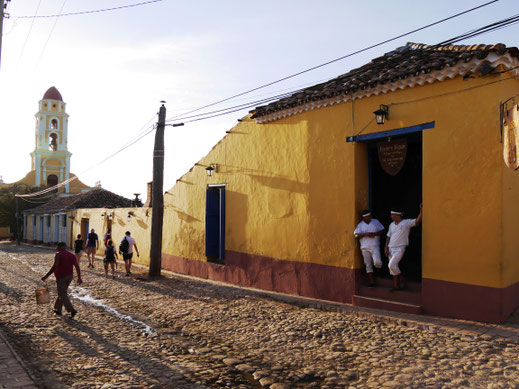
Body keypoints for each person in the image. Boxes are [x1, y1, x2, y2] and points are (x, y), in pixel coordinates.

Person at [384, 204, 423, 291]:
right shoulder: (391, 225)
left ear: (398, 215)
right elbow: (388, 236)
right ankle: (396, 286)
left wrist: (421, 211)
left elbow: (417, 221)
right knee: (392, 269)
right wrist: (386, 247)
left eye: (392, 215)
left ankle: (401, 278)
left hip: (400, 248)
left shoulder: (406, 223)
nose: (391, 216)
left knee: (391, 265)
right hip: (390, 248)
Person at [42, 242, 82, 319]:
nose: (56, 248)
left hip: (61, 276)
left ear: (60, 247)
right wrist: (79, 277)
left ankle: (72, 310)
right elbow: (77, 266)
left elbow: (55, 266)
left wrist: (46, 276)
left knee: (62, 294)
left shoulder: (58, 254)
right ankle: (57, 309)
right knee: (62, 292)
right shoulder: (71, 255)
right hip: (70, 276)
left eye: (57, 247)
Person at [354, 210, 384, 287]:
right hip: (364, 247)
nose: (369, 218)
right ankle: (372, 281)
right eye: (367, 217)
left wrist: (375, 234)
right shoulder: (360, 225)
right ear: (363, 218)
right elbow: (356, 235)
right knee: (368, 264)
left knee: (377, 262)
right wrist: (365, 234)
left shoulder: (375, 221)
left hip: (375, 245)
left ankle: (378, 271)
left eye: (369, 216)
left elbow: (382, 230)